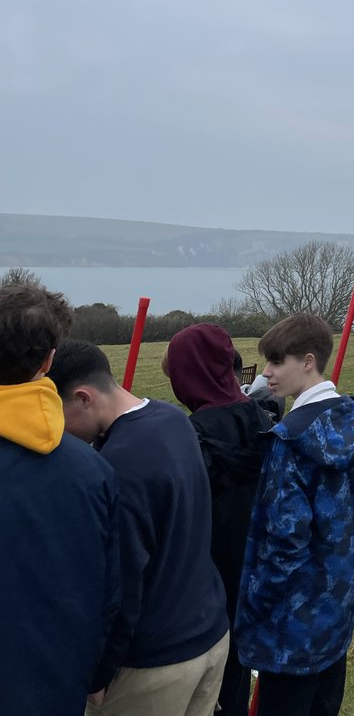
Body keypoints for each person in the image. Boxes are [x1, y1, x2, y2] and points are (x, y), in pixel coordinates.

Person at [49, 340, 230, 716]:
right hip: (210, 634)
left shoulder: (117, 466)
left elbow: (121, 586)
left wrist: (98, 674)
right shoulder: (173, 419)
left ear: (83, 397)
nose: (59, 431)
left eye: (59, 415)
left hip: (154, 663)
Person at [235, 311, 354, 716]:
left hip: (290, 622)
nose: (267, 374)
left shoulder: (288, 441)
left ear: (308, 361)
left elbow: (285, 543)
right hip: (341, 600)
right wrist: (343, 532)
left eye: (277, 362)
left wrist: (253, 606)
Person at [0, 284, 120, 716]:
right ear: (50, 360)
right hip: (54, 685)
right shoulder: (93, 472)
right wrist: (94, 675)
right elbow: (109, 595)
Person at [166, 324, 274, 716]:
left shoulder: (190, 435)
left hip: (205, 580)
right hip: (258, 567)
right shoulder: (264, 421)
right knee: (237, 676)